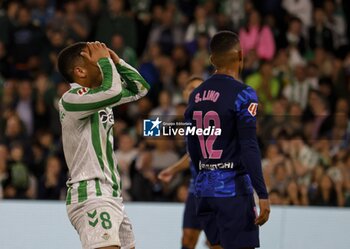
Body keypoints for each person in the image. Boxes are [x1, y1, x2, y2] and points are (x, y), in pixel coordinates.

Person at [57, 41, 150, 249]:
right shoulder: (71, 99)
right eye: (96, 61)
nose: (102, 62)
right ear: (80, 71)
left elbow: (140, 89)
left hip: (112, 196)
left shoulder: (101, 96)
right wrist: (106, 63)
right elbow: (113, 92)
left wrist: (117, 62)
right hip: (91, 194)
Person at [184, 31, 270, 249]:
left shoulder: (196, 95)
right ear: (241, 55)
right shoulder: (244, 94)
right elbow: (249, 145)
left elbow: (192, 145)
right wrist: (262, 193)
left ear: (212, 60)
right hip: (232, 192)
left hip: (203, 192)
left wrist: (205, 173)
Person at [158, 76, 210, 249]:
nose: (195, 92)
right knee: (187, 239)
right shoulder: (188, 119)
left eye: (199, 89)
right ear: (184, 93)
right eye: (191, 88)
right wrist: (172, 170)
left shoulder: (215, 118)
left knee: (215, 242)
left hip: (218, 188)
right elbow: (192, 154)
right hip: (196, 188)